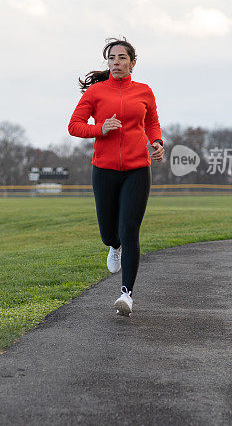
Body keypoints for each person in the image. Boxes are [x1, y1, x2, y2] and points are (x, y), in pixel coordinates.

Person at [67, 37, 164, 317]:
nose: (116, 63)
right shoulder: (96, 93)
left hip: (137, 169)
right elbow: (74, 126)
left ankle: (127, 295)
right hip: (105, 169)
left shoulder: (144, 91)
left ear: (132, 62)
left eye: (122, 58)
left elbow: (152, 123)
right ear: (107, 62)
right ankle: (114, 246)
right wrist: (101, 128)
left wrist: (157, 142)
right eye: (112, 58)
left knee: (129, 230)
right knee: (109, 234)